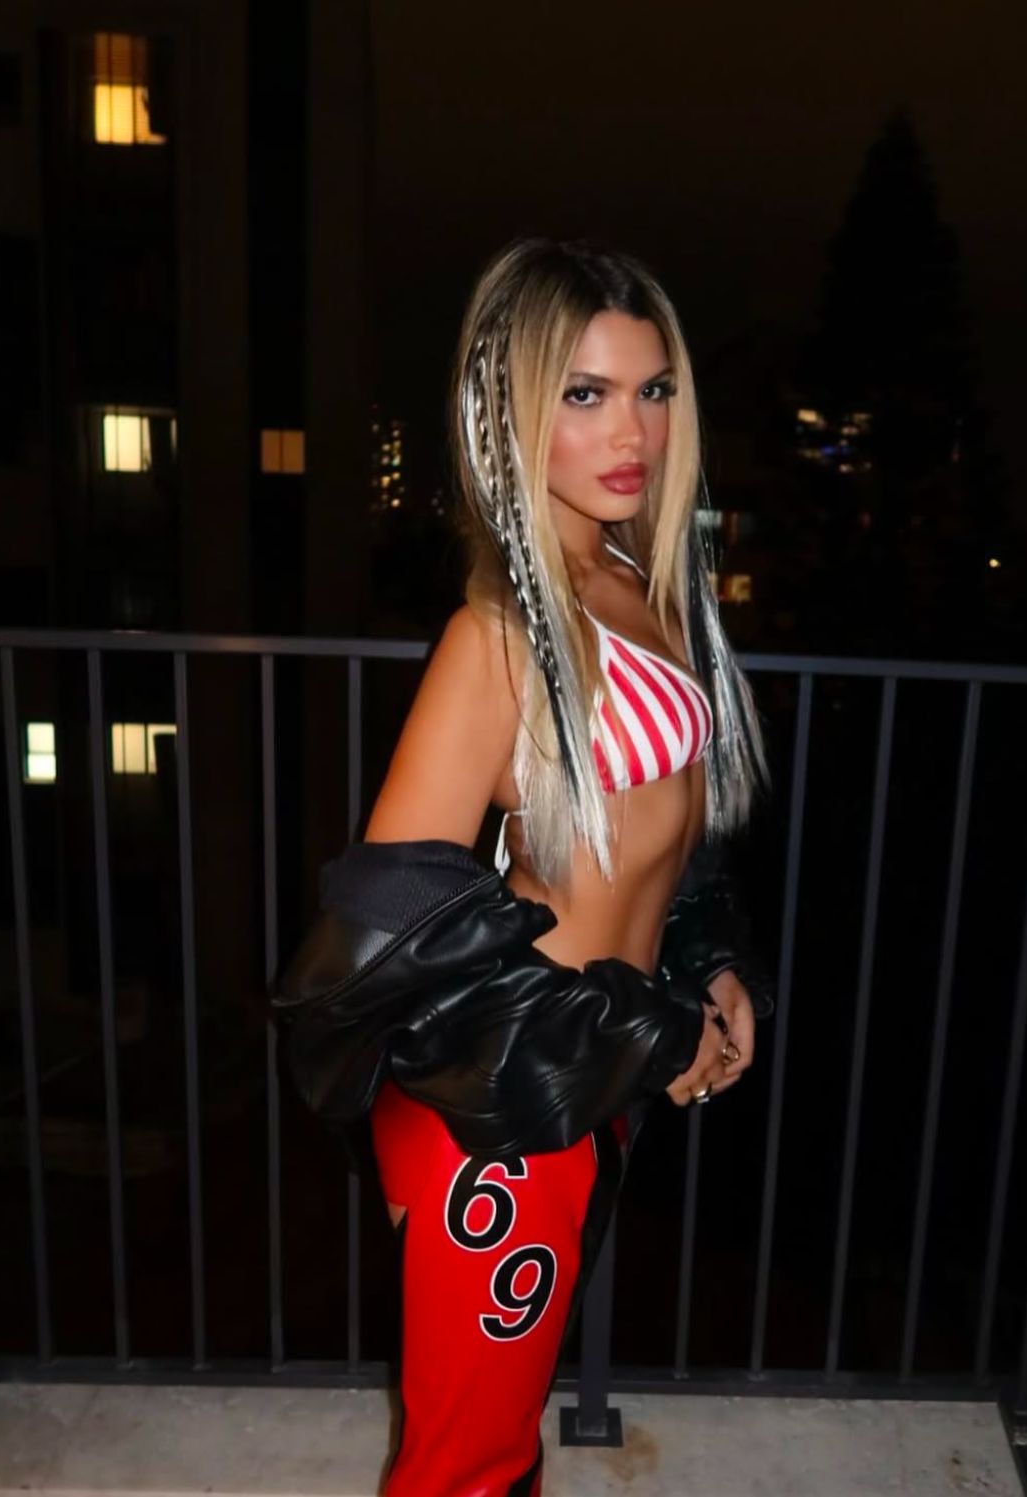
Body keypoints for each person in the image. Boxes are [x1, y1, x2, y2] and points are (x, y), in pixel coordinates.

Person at [273, 237, 770, 1496]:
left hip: (586, 1093)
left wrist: (706, 962)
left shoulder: (640, 582)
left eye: (653, 390)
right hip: (500, 1118)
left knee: (498, 1436)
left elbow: (667, 833)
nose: (632, 432)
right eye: (585, 393)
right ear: (510, 411)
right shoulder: (495, 634)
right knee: (466, 1463)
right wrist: (650, 1032)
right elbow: (378, 939)